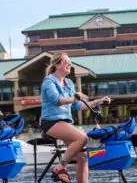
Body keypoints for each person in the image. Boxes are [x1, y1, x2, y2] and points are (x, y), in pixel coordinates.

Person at [41, 52, 111, 183]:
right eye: (66, 62)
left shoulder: (69, 83)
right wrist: (73, 98)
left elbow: (78, 106)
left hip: (65, 123)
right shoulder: (48, 81)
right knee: (82, 138)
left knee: (83, 158)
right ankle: (60, 167)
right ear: (57, 64)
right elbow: (57, 100)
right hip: (51, 122)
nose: (69, 64)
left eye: (70, 62)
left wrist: (98, 101)